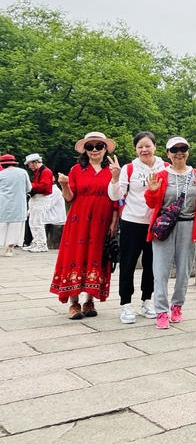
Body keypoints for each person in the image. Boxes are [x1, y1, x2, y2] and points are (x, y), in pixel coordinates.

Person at [49, 132, 118, 319]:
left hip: (102, 219)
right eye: (90, 146)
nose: (95, 150)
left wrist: (114, 221)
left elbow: (116, 198)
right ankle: (74, 303)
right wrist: (64, 185)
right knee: (76, 255)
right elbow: (69, 197)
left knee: (97, 255)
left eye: (99, 146)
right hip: (79, 219)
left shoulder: (112, 170)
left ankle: (89, 301)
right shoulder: (76, 170)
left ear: (105, 149)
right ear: (85, 150)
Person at [144, 136, 196, 329]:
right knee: (160, 271)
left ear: (188, 151)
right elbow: (151, 203)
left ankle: (177, 306)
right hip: (165, 227)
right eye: (174, 149)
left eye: (183, 149)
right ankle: (161, 311)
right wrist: (153, 191)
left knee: (184, 270)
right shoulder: (161, 175)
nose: (179, 153)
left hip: (188, 225)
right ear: (168, 153)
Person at [108, 131, 168, 324]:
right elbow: (115, 195)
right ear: (135, 149)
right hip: (132, 221)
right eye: (140, 146)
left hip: (156, 223)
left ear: (155, 147)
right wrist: (115, 178)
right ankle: (125, 303)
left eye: (148, 146)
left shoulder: (165, 167)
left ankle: (146, 300)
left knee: (152, 264)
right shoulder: (129, 168)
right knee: (128, 263)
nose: (144, 150)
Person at [0, 154, 31, 257]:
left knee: (2, 224)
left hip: (3, 203)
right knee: (15, 226)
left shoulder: (1, 174)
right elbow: (29, 188)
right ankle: (9, 249)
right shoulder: (23, 172)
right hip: (18, 204)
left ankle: (1, 244)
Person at [24, 153, 53, 253]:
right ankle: (35, 242)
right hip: (36, 198)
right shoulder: (39, 172)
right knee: (32, 222)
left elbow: (44, 186)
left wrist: (30, 185)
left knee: (38, 222)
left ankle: (41, 244)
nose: (29, 167)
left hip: (41, 198)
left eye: (30, 164)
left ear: (35, 162)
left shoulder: (46, 172)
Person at [43, 174, 67, 248]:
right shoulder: (49, 190)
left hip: (55, 221)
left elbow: (47, 205)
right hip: (49, 220)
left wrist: (30, 212)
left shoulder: (55, 191)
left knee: (52, 246)